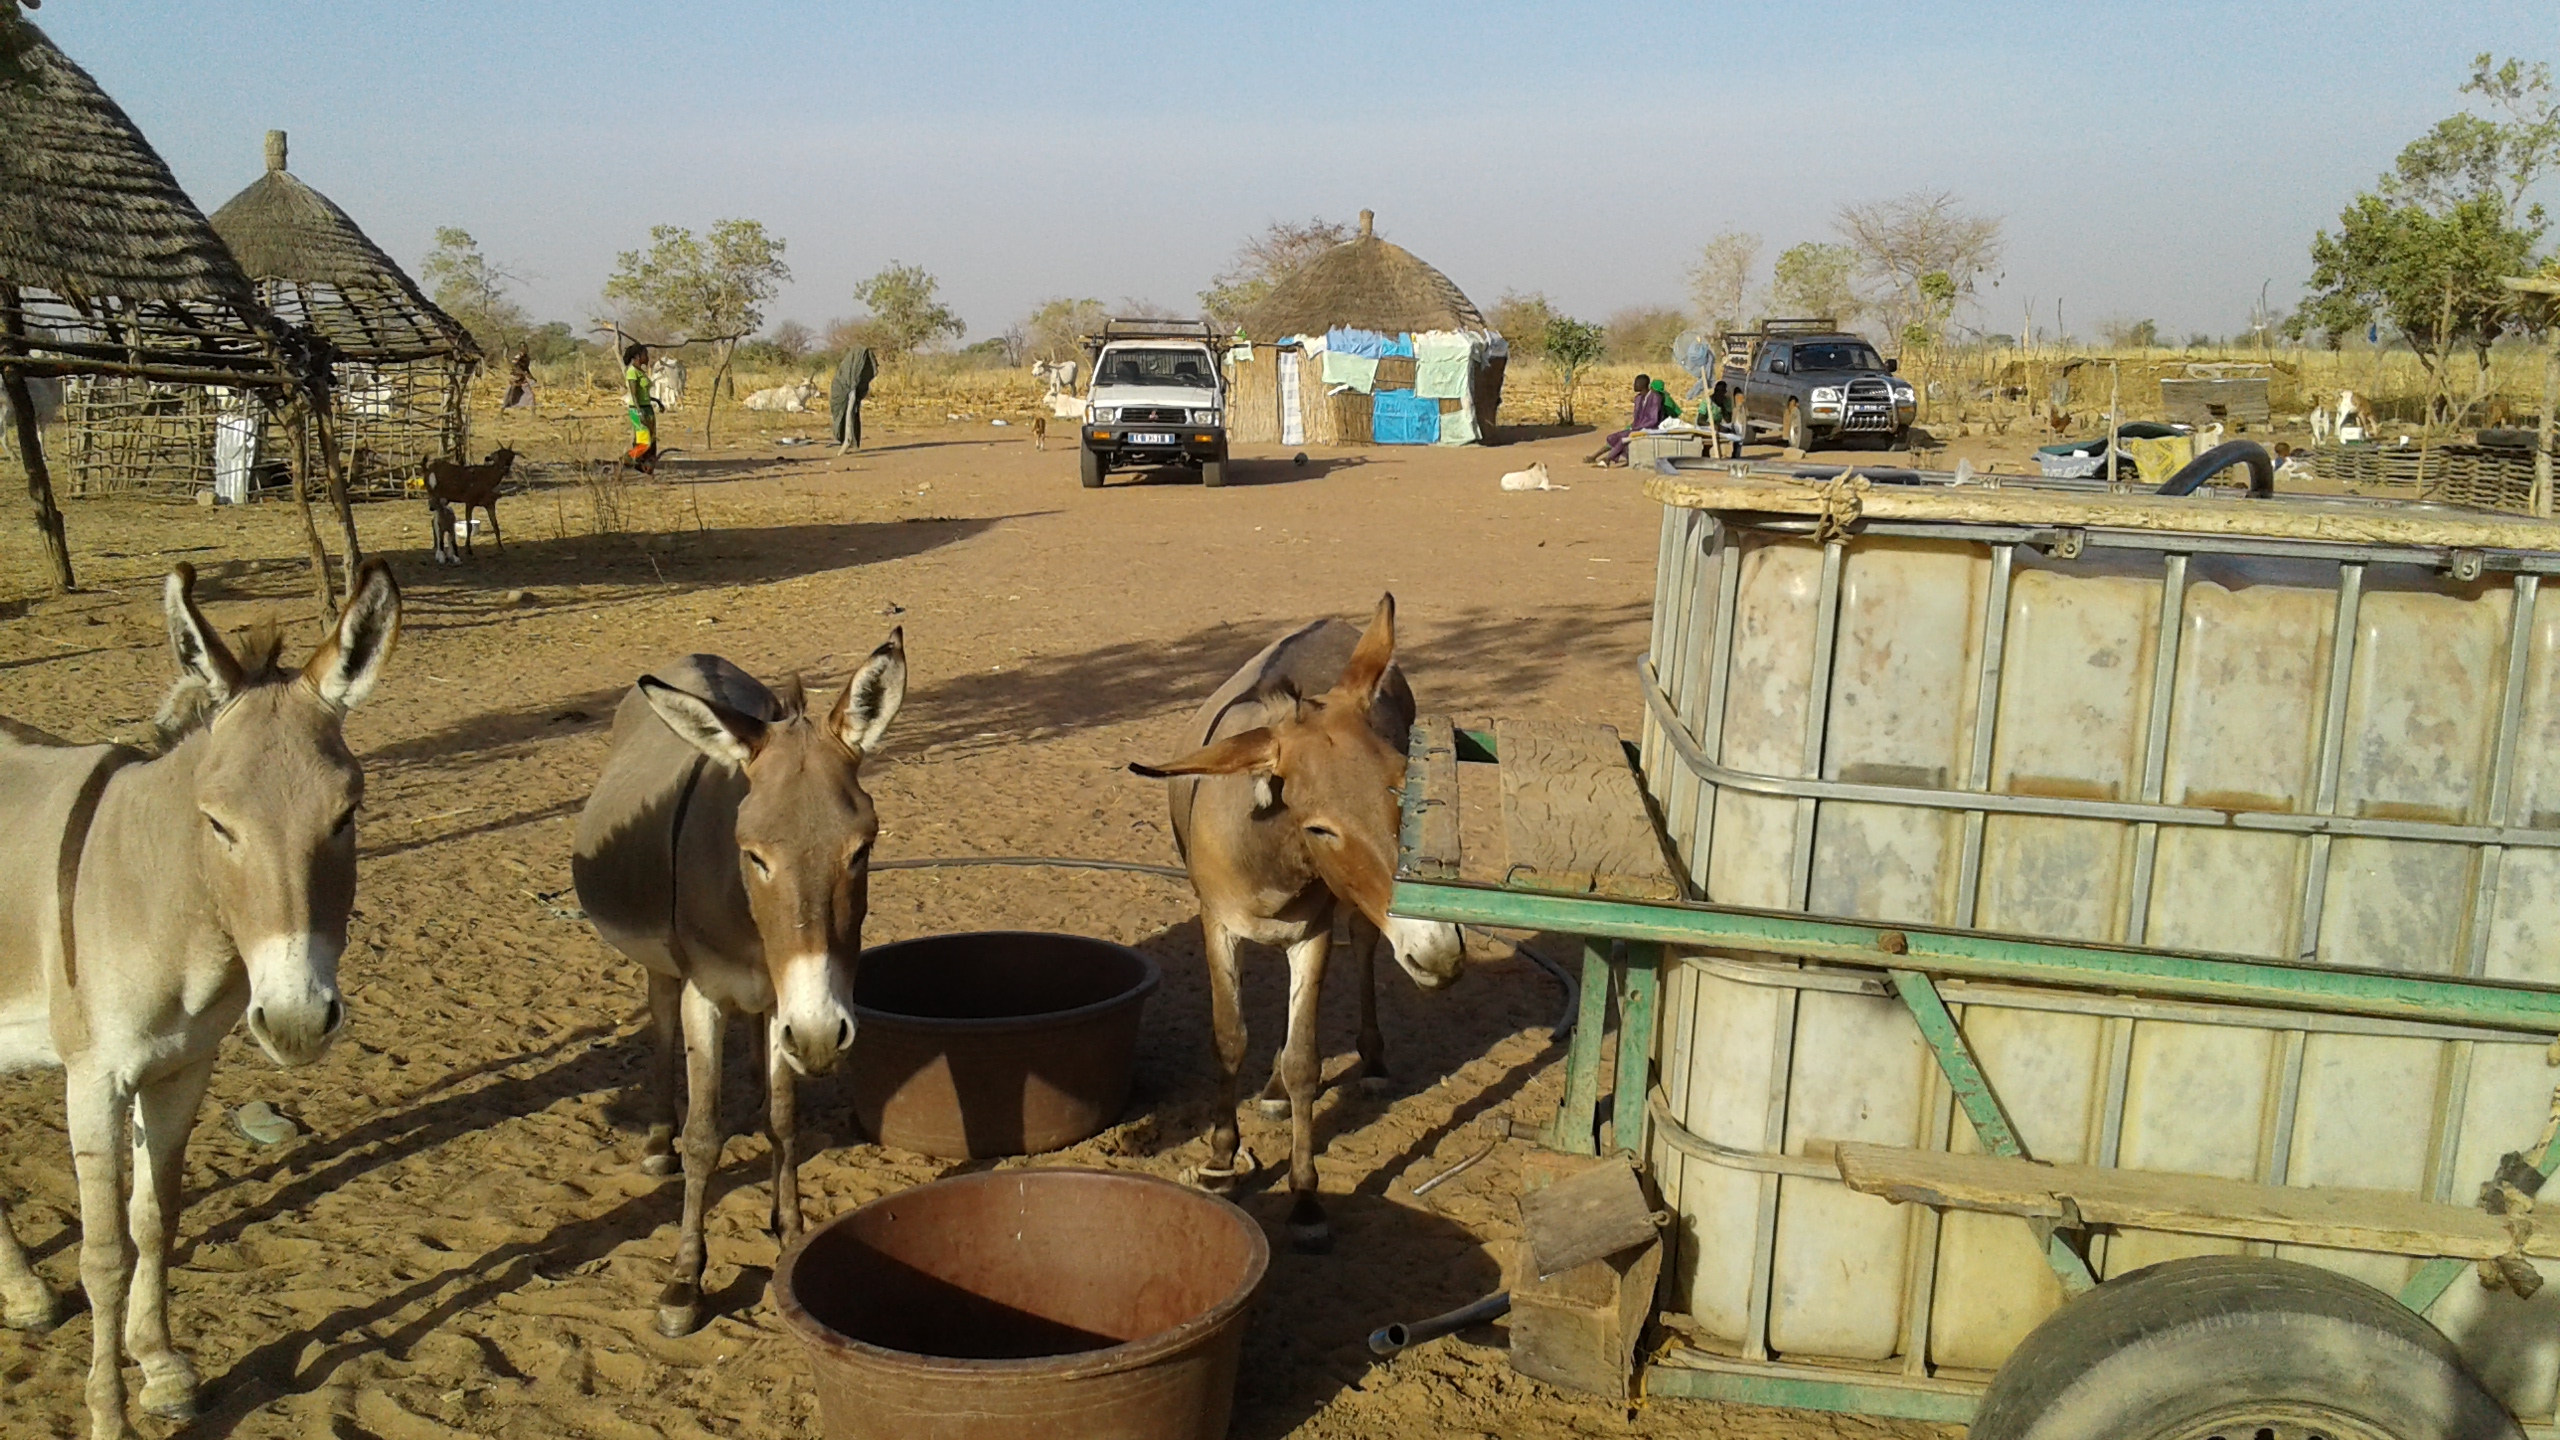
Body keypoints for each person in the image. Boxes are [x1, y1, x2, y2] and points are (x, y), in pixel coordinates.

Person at [1591, 373, 1665, 467]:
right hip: (1638, 427)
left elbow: (1653, 420)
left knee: (1624, 438)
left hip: (1651, 428)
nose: (1634, 385)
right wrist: (1634, 427)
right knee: (1612, 438)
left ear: (1643, 384)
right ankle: (1626, 457)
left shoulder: (1655, 397)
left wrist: (1638, 428)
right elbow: (1636, 417)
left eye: (1636, 383)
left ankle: (1607, 459)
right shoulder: (1638, 398)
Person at [832, 344, 877, 454]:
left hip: (853, 393)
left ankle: (848, 441)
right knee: (842, 416)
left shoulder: (856, 371)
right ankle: (844, 439)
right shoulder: (845, 372)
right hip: (844, 394)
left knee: (851, 415)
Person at [622, 343, 658, 474]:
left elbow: (644, 394)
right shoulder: (632, 372)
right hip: (638, 410)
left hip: (647, 408)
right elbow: (634, 395)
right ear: (637, 356)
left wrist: (657, 402)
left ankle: (646, 467)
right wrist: (639, 412)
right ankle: (626, 459)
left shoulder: (640, 372)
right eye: (645, 354)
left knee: (652, 441)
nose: (647, 357)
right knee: (644, 442)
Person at [500, 344, 534, 412]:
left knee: (530, 395)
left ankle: (533, 414)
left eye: (525, 347)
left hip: (522, 379)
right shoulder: (517, 357)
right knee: (509, 395)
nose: (524, 349)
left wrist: (532, 377)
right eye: (522, 348)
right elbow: (514, 366)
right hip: (515, 378)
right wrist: (524, 373)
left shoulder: (527, 358)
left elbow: (526, 368)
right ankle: (501, 412)